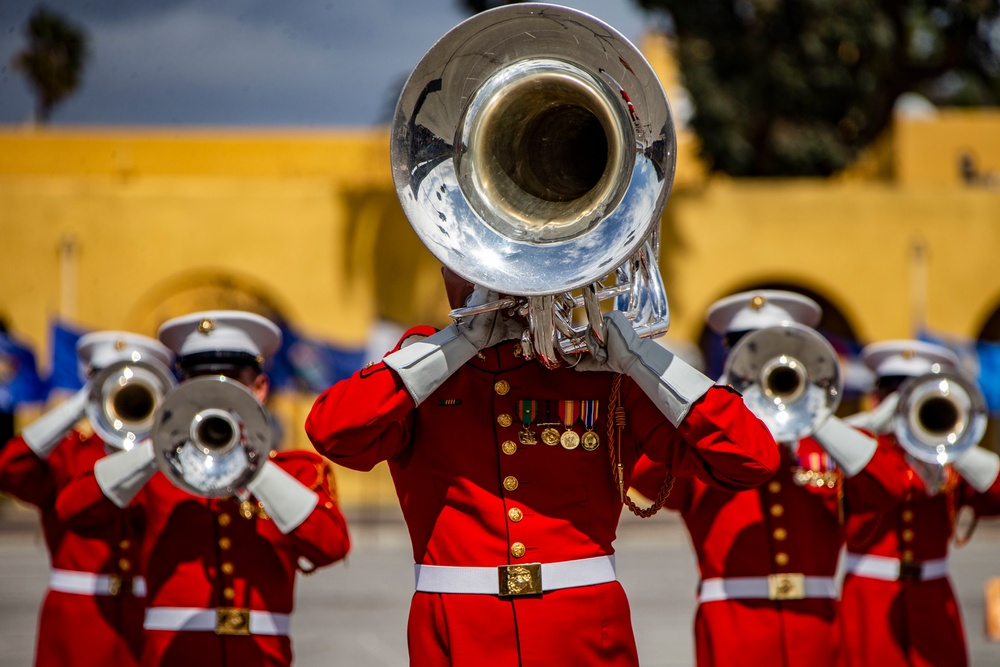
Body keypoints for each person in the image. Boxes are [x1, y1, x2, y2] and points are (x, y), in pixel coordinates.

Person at [304, 267, 779, 666]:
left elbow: (751, 457)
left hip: (585, 634)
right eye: (464, 258)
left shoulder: (601, 371)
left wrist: (643, 359)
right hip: (457, 632)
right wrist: (457, 343)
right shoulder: (424, 366)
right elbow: (333, 431)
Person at [630, 289, 911, 667]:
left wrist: (816, 417)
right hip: (733, 627)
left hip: (816, 628)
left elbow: (889, 488)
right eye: (749, 353)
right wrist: (710, 401)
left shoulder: (825, 442)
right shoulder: (708, 440)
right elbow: (646, 480)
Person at [56, 310, 351, 667]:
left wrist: (252, 466)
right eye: (200, 384)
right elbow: (73, 511)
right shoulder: (157, 473)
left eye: (231, 382)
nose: (216, 397)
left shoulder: (296, 470)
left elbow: (331, 545)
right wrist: (161, 444)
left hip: (261, 655)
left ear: (259, 388)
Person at [0, 331, 174, 667]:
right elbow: (10, 467)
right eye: (106, 380)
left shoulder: (161, 459)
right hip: (76, 615)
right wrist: (82, 403)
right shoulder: (68, 452)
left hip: (146, 615)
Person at [840, 339, 1000, 667]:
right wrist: (869, 426)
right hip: (868, 600)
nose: (905, 401)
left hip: (933, 597)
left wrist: (953, 442)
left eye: (917, 389)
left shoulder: (948, 457)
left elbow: (995, 495)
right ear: (876, 396)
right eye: (893, 389)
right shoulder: (857, 448)